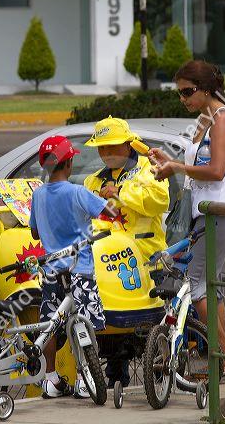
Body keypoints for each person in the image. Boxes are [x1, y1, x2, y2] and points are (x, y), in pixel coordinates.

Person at [148, 60, 225, 379]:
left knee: (198, 286)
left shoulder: (223, 121)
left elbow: (217, 170)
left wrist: (177, 168)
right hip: (204, 213)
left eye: (188, 92)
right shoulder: (205, 119)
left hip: (220, 212)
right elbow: (196, 166)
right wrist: (171, 162)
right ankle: (220, 358)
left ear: (206, 89)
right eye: (179, 94)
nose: (183, 99)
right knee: (210, 288)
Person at [84, 116, 170, 387]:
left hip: (148, 261)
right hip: (111, 267)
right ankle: (113, 379)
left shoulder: (149, 167)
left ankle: (160, 379)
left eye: (113, 147)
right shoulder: (92, 180)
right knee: (109, 330)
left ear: (129, 143)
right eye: (102, 148)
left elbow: (158, 200)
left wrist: (119, 192)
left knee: (151, 329)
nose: (107, 153)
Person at [29, 135, 117, 398]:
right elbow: (110, 213)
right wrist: (108, 195)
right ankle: (84, 379)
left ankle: (51, 380)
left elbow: (34, 232)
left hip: (52, 270)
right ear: (68, 164)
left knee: (50, 323)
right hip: (81, 269)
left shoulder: (38, 195)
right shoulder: (79, 192)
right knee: (86, 322)